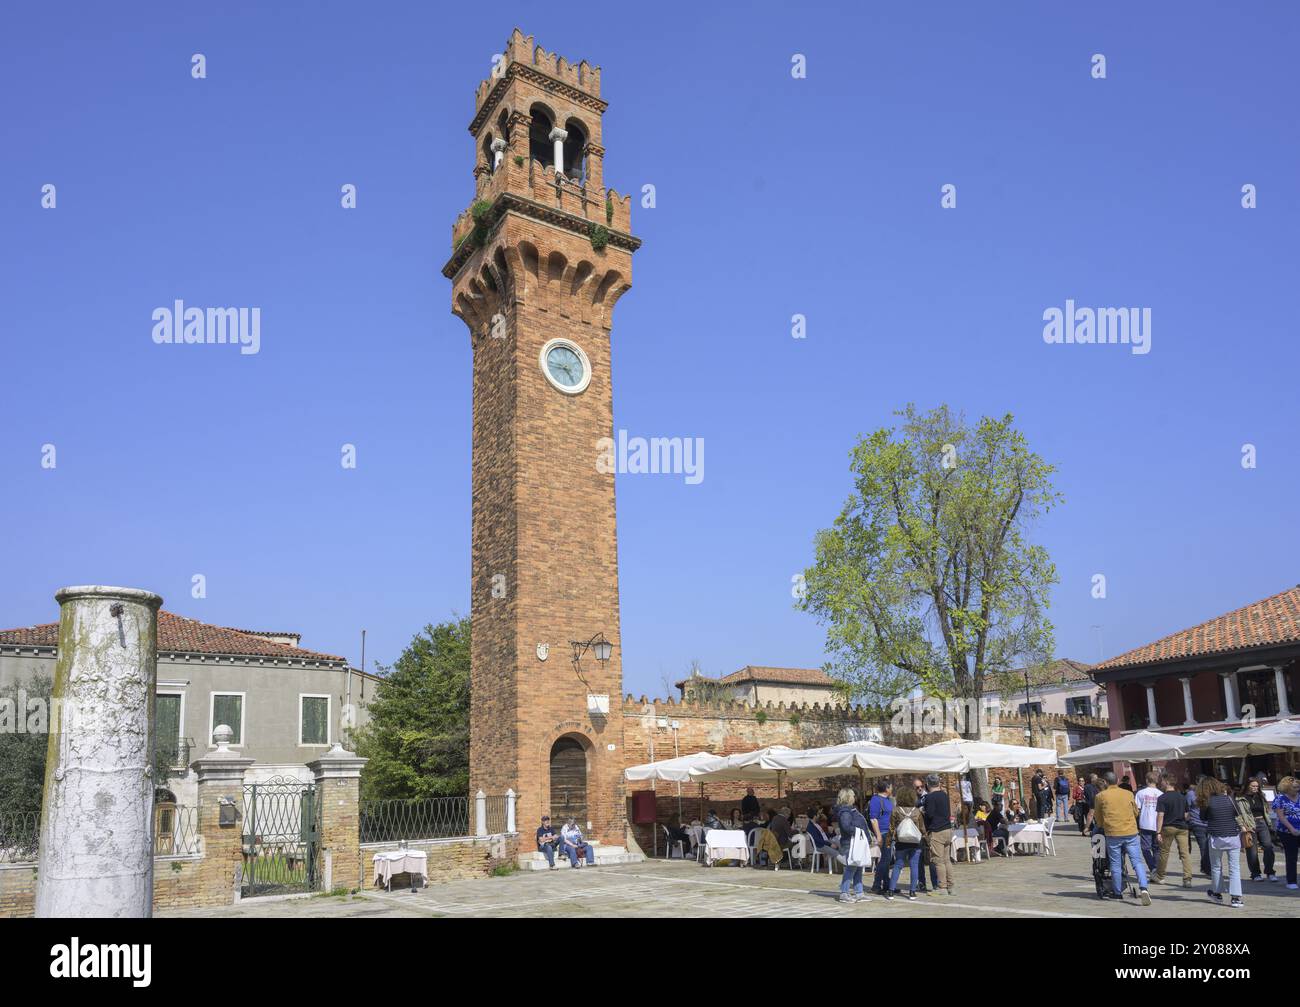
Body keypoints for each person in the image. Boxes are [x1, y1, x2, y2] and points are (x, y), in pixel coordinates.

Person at [1092, 771, 1152, 905]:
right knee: (1137, 862)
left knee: (1115, 864)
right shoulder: (1128, 793)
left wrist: (1103, 825)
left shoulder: (1101, 796)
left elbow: (1099, 818)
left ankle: (1118, 892)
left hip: (1113, 833)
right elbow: (1136, 812)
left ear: (1105, 782)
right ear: (1118, 780)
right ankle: (1144, 888)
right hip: (1131, 832)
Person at [1200, 777, 1244, 908]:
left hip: (1216, 837)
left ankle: (1217, 893)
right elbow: (1237, 814)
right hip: (1233, 835)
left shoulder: (1207, 802)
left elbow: (1203, 818)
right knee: (1234, 868)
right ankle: (1236, 898)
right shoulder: (1230, 799)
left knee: (1216, 867)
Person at [1151, 774, 1192, 888]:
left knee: (1164, 852)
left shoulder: (1163, 798)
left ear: (1167, 782)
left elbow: (1160, 815)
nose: (1161, 783)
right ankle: (1187, 879)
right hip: (1182, 828)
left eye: (1162, 782)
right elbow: (1187, 814)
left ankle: (1160, 876)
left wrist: (1158, 832)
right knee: (1185, 853)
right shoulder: (1182, 797)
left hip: (1168, 827)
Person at [887, 786, 928, 900]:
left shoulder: (896, 810)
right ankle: (912, 892)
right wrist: (926, 840)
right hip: (915, 842)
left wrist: (889, 841)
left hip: (901, 841)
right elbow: (922, 828)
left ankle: (891, 891)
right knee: (914, 866)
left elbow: (891, 827)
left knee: (898, 865)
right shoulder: (917, 811)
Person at [832, 788, 872, 904]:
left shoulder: (851, 810)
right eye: (853, 795)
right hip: (851, 843)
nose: (855, 797)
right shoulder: (845, 812)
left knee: (858, 867)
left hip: (856, 842)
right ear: (848, 797)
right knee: (851, 868)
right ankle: (844, 893)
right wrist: (858, 831)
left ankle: (859, 893)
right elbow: (846, 827)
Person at [922, 774, 954, 895]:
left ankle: (942, 887)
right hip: (947, 829)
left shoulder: (930, 797)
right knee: (947, 860)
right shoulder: (944, 795)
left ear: (928, 784)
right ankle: (951, 886)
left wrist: (923, 811)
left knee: (938, 861)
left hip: (937, 830)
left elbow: (929, 814)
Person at [1242, 778, 1278, 883]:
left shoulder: (1261, 796)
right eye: (1253, 786)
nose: (1255, 788)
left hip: (1262, 822)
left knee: (1268, 846)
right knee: (1252, 851)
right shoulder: (1242, 798)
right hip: (1250, 824)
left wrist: (1269, 822)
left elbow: (1266, 810)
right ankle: (1255, 873)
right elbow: (1240, 813)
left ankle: (1270, 872)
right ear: (1248, 785)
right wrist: (1244, 826)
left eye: (1257, 786)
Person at [1271, 776, 1300, 889]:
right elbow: (1281, 817)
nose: (1296, 789)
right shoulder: (1280, 798)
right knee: (1291, 855)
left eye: (1298, 787)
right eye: (1294, 787)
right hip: (1287, 831)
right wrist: (1292, 829)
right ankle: (1291, 881)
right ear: (1287, 787)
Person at [868, 782, 894, 894]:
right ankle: (876, 884)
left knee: (887, 859)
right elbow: (873, 819)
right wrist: (878, 835)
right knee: (885, 859)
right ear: (887, 788)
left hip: (889, 832)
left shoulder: (888, 800)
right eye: (891, 786)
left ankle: (886, 884)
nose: (892, 788)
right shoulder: (876, 800)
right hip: (883, 832)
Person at [1135, 771, 1163, 872]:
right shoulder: (1161, 794)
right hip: (1158, 825)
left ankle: (1153, 867)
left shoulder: (1140, 793)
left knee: (1145, 848)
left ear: (1147, 780)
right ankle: (1155, 868)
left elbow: (1136, 810)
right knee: (1157, 849)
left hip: (1145, 823)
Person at [1185, 779, 1211, 877]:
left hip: (1209, 823)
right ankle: (1208, 869)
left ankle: (1205, 867)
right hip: (1197, 823)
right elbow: (1186, 807)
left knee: (1210, 847)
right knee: (1204, 846)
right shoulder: (1191, 794)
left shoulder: (1210, 794)